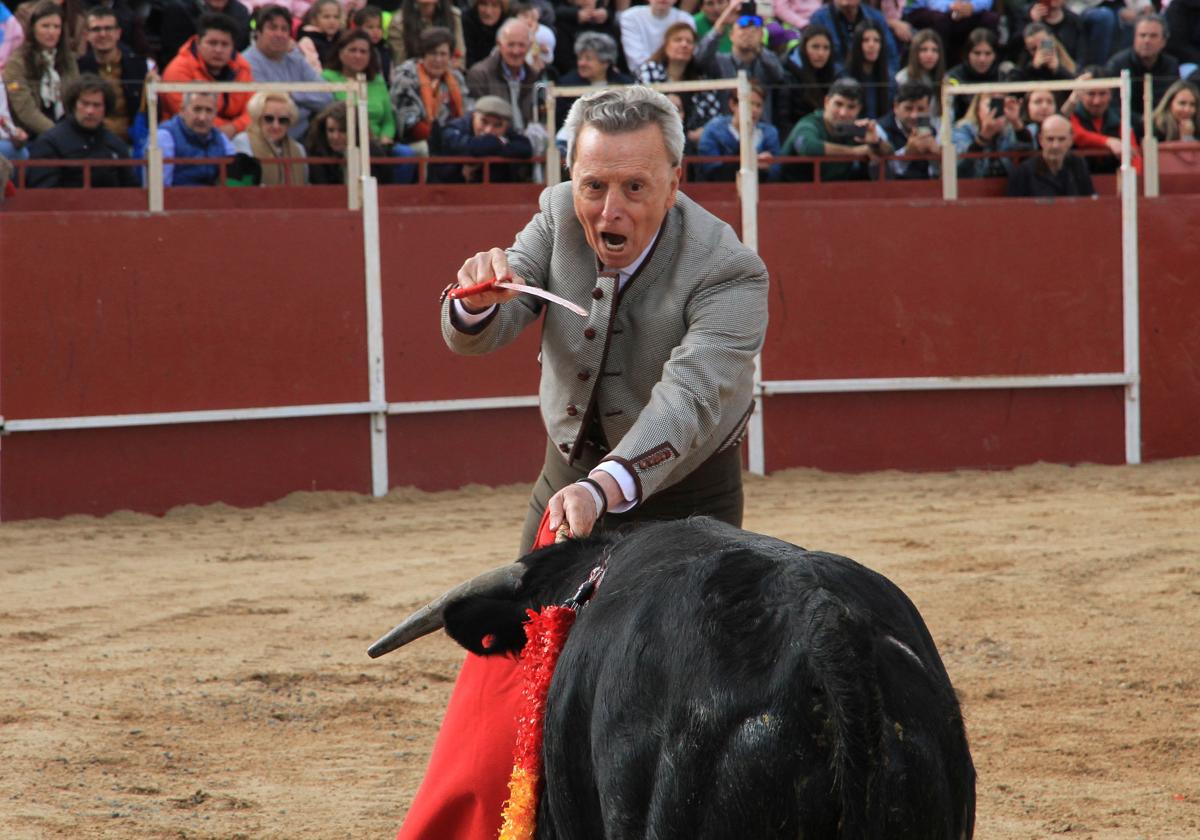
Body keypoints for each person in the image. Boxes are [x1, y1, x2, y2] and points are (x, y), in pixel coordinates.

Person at [402, 83, 768, 840]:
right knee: (529, 674)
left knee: (671, 686)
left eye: (636, 187)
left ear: (676, 176)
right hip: (562, 483)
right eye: (594, 185)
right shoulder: (554, 218)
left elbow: (690, 400)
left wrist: (606, 488)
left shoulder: (732, 271)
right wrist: (472, 301)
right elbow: (487, 325)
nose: (610, 211)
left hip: (683, 501)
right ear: (572, 172)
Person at [25, 73, 137, 186]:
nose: (90, 111)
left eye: (96, 105)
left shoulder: (115, 145)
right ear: (74, 105)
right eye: (85, 103)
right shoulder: (50, 143)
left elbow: (131, 190)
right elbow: (41, 193)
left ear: (105, 108)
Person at [243, 5, 333, 142]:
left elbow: (326, 97)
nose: (279, 34)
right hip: (261, 138)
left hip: (304, 136)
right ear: (258, 33)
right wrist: (306, 101)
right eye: (273, 28)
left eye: (284, 29)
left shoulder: (296, 60)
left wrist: (292, 93)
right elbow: (266, 106)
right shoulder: (246, 62)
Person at [697, 1, 788, 128]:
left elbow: (779, 75)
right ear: (731, 35)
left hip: (761, 132)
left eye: (754, 30)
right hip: (726, 132)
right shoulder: (720, 61)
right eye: (742, 28)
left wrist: (759, 48)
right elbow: (700, 59)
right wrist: (721, 23)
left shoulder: (766, 62)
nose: (748, 33)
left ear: (761, 35)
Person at [161, 12, 254, 136]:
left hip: (235, 135)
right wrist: (225, 130)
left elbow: (254, 111)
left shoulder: (242, 67)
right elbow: (189, 115)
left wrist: (234, 128)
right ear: (198, 42)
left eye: (225, 44)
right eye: (212, 43)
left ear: (233, 47)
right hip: (184, 137)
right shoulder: (177, 70)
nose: (218, 50)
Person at [782, 76, 889, 180]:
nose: (843, 113)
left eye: (851, 107)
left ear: (859, 109)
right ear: (827, 102)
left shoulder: (856, 128)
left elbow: (890, 152)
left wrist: (876, 143)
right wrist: (855, 151)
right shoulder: (809, 124)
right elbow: (808, 148)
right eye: (838, 104)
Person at [637, 21, 723, 148]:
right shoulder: (649, 70)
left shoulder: (701, 80)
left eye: (689, 42)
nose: (684, 45)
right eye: (678, 40)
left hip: (693, 145)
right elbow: (643, 107)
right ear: (666, 45)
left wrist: (705, 131)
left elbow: (714, 116)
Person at [2, 1, 79, 139]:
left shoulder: (68, 59)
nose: (51, 32)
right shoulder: (17, 62)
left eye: (56, 27)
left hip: (68, 129)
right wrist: (58, 134)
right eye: (45, 26)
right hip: (32, 135)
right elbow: (25, 110)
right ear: (33, 28)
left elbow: (76, 96)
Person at [390, 25, 468, 150]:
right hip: (415, 141)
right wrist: (442, 138)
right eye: (433, 53)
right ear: (422, 55)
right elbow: (407, 122)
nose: (438, 59)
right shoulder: (406, 77)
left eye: (443, 54)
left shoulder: (456, 77)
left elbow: (467, 110)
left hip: (452, 137)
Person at [77, 6, 148, 143]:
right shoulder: (79, 67)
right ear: (86, 35)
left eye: (108, 28)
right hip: (90, 142)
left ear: (118, 33)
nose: (103, 34)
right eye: (96, 29)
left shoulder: (138, 65)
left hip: (133, 143)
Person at [465, 17, 546, 130]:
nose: (516, 51)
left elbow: (541, 116)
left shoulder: (533, 76)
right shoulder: (480, 74)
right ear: (499, 45)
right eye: (511, 45)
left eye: (521, 45)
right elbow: (478, 120)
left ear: (529, 47)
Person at [430, 93, 532, 182]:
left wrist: (492, 146)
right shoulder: (455, 128)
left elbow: (525, 147)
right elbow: (461, 145)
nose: (488, 130)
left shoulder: (507, 132)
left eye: (497, 125)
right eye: (484, 122)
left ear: (506, 126)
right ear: (474, 116)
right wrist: (498, 144)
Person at [323, 29, 398, 147]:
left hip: (378, 143)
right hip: (342, 141)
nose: (358, 56)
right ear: (340, 53)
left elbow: (388, 121)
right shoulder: (327, 77)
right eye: (352, 50)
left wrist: (385, 137)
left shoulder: (377, 80)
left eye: (363, 52)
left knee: (407, 153)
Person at [697, 78, 782, 180]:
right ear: (733, 104)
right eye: (750, 103)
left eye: (759, 105)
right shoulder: (713, 130)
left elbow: (776, 173)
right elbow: (710, 171)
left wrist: (767, 168)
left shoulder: (769, 133)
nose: (755, 110)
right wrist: (753, 164)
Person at [1104, 14, 1179, 120]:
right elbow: (1113, 106)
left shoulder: (1171, 64)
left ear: (1163, 41)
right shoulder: (1117, 64)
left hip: (1160, 122)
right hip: (1125, 123)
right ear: (1134, 38)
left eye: (1153, 36)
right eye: (1142, 35)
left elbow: (1171, 101)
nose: (1147, 41)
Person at [156, 90, 239, 185]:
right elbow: (160, 189)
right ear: (182, 110)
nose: (202, 118)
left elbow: (234, 180)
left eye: (209, 110)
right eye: (197, 109)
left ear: (215, 113)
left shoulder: (220, 138)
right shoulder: (165, 137)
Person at [305, 99, 395, 183]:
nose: (335, 137)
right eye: (331, 130)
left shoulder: (373, 153)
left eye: (343, 130)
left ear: (356, 130)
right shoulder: (317, 153)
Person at [1070, 66, 1139, 173]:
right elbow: (1077, 134)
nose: (1097, 101)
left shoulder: (1121, 118)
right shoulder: (1071, 115)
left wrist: (1135, 184)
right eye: (1091, 94)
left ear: (1111, 94)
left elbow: (1133, 155)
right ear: (1081, 95)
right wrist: (1108, 141)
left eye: (1102, 94)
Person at [554, 31, 632, 126]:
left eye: (588, 59)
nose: (581, 63)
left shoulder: (625, 84)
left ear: (605, 62)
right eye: (579, 58)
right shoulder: (566, 84)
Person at [1007, 111, 1095, 195]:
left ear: (1071, 140)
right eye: (1050, 139)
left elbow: (1090, 200)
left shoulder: (1078, 164)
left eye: (1061, 139)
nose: (1055, 146)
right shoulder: (1023, 172)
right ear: (1041, 140)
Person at [809, 0, 899, 78]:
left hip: (873, 82)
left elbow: (891, 57)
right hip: (835, 83)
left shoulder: (876, 18)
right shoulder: (820, 19)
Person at [232, 91, 307, 183]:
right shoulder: (244, 141)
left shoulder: (299, 150)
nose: (276, 126)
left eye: (283, 120)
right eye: (269, 119)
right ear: (258, 118)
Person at [902, 0, 1000, 67]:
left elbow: (986, 2)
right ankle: (941, 71)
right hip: (926, 10)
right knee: (942, 21)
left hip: (965, 10)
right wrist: (952, 7)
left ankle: (990, 69)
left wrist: (972, 7)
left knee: (991, 19)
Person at [953, 90, 1025, 177]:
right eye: (990, 105)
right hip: (972, 186)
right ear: (977, 109)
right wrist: (984, 137)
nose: (995, 110)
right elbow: (959, 170)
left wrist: (1017, 123)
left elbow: (1027, 161)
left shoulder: (1010, 130)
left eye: (1000, 106)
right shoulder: (962, 129)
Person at [878, 79, 941, 178]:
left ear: (928, 109)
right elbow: (883, 172)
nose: (914, 115)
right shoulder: (880, 129)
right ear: (896, 107)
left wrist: (937, 155)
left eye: (920, 109)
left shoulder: (935, 129)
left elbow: (938, 174)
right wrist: (907, 154)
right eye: (908, 108)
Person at [158, 0, 251, 65]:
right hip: (189, 75)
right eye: (213, 43)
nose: (218, 49)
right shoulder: (179, 9)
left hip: (228, 74)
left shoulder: (240, 11)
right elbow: (172, 53)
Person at [619, 0, 694, 75]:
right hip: (641, 77)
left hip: (676, 73)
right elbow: (636, 61)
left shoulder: (686, 19)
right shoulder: (630, 17)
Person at [841, 19, 894, 120]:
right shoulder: (844, 77)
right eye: (866, 40)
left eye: (876, 40)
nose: (871, 45)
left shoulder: (889, 79)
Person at [388, 0, 466, 68]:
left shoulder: (453, 16)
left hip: (450, 72)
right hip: (413, 77)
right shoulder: (399, 23)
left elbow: (459, 57)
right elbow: (401, 63)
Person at [945, 27, 999, 120]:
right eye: (977, 53)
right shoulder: (954, 77)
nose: (982, 59)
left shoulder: (1001, 77)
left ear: (995, 55)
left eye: (988, 53)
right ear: (968, 54)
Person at [784, 23, 835, 122]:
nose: (821, 53)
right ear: (804, 48)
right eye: (815, 47)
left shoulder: (832, 73)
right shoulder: (788, 75)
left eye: (826, 48)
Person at [894, 28, 945, 117]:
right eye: (924, 50)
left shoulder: (944, 78)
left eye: (934, 50)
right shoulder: (902, 78)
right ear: (915, 52)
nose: (930, 55)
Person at [1018, 0, 1084, 65]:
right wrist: (1032, 22)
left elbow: (1083, 57)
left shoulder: (1075, 22)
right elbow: (1017, 53)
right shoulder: (1025, 18)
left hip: (1069, 70)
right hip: (1037, 70)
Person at [296, 0, 343, 71]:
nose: (332, 21)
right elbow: (313, 70)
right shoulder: (307, 41)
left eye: (336, 17)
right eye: (326, 17)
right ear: (314, 20)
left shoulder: (343, 39)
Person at [352, 6, 394, 83]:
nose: (376, 31)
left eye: (379, 27)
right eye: (370, 27)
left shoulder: (385, 48)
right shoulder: (355, 50)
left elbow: (391, 73)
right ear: (358, 29)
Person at [462, 0, 509, 67]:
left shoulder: (509, 25)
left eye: (495, 5)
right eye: (483, 4)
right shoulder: (465, 21)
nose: (488, 12)